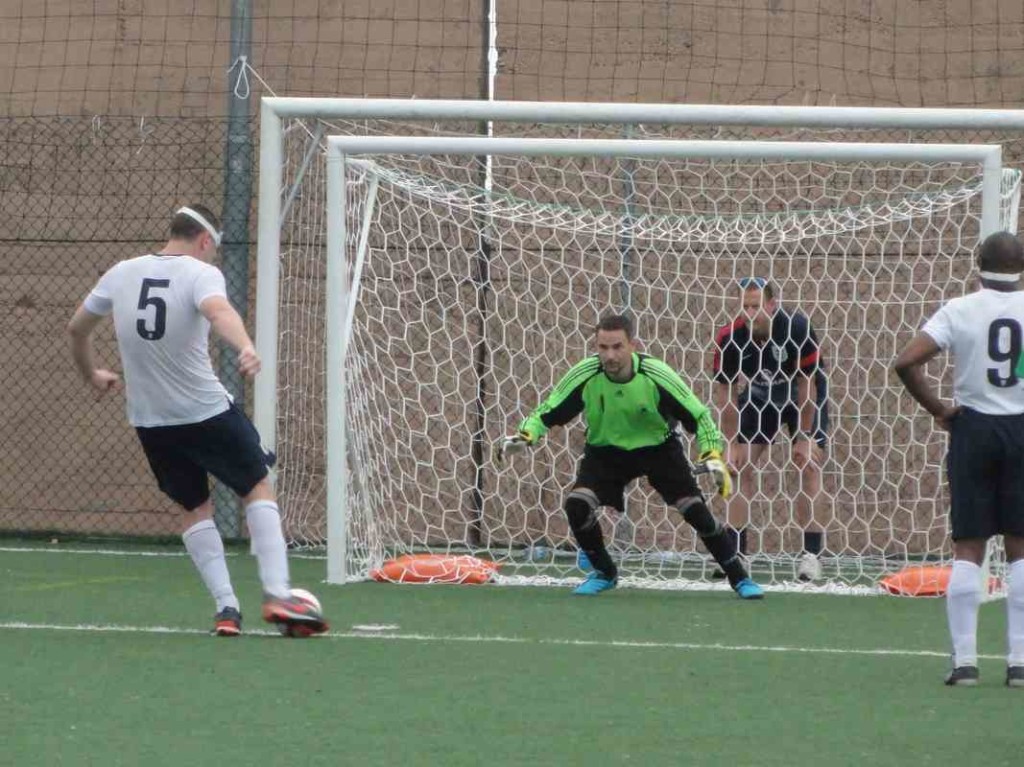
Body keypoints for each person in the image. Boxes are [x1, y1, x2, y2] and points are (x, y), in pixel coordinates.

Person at [67, 204, 328, 638]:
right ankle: (279, 592)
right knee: (256, 485)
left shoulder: (121, 272)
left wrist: (90, 373)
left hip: (151, 421)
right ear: (206, 241)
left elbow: (76, 329)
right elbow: (218, 311)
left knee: (193, 508)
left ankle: (226, 610)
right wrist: (245, 345)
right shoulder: (199, 273)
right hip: (205, 411)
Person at [498, 313, 764, 599]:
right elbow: (548, 411)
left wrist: (712, 452)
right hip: (605, 452)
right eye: (603, 347)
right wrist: (526, 436)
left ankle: (739, 578)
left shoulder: (656, 374)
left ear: (632, 345)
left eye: (617, 347)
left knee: (694, 510)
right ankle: (604, 572)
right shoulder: (586, 374)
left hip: (658, 449)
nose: (610, 355)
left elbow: (699, 416)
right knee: (577, 505)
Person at [894, 231, 1024, 688]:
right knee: (1021, 547)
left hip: (973, 429)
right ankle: (1019, 663)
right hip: (1021, 428)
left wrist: (940, 411)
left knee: (969, 545)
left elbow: (906, 362)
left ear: (978, 265)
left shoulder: (960, 308)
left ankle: (965, 663)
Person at [711, 277, 830, 582]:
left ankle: (811, 556)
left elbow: (807, 386)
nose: (750, 313)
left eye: (757, 306)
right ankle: (736, 555)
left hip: (800, 396)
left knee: (809, 464)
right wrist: (730, 443)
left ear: (771, 304)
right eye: (745, 306)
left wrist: (803, 438)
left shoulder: (797, 327)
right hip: (760, 394)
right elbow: (726, 395)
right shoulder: (729, 337)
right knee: (738, 467)